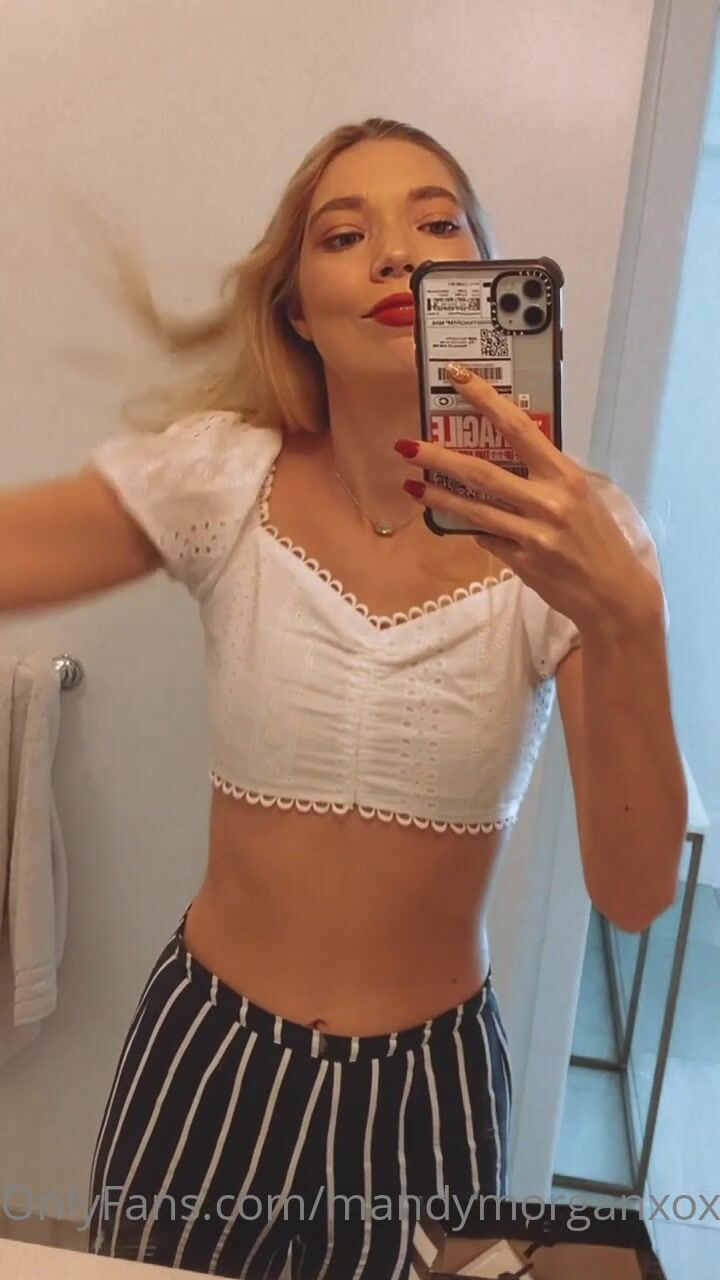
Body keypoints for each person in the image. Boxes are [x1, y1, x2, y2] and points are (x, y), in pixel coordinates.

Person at [3, 117, 682, 1279]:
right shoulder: (223, 479)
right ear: (298, 313)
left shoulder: (577, 541)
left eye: (437, 223)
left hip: (432, 1089)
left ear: (486, 279)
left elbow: (635, 890)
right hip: (205, 1057)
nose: (396, 253)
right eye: (343, 233)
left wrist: (629, 614)